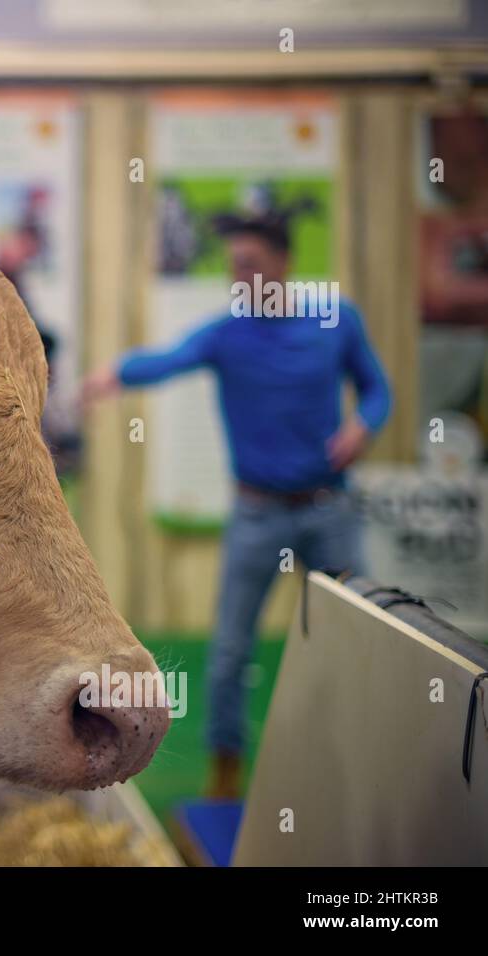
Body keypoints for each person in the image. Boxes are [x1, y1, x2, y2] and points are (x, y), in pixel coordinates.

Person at [82, 213, 392, 799]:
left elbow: (378, 388)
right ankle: (224, 781)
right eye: (232, 267)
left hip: (331, 511)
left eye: (250, 264)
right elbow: (164, 360)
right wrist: (109, 376)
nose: (239, 277)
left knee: (365, 642)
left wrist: (363, 425)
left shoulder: (336, 321)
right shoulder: (227, 334)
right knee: (229, 653)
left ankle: (365, 773)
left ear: (283, 265)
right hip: (257, 517)